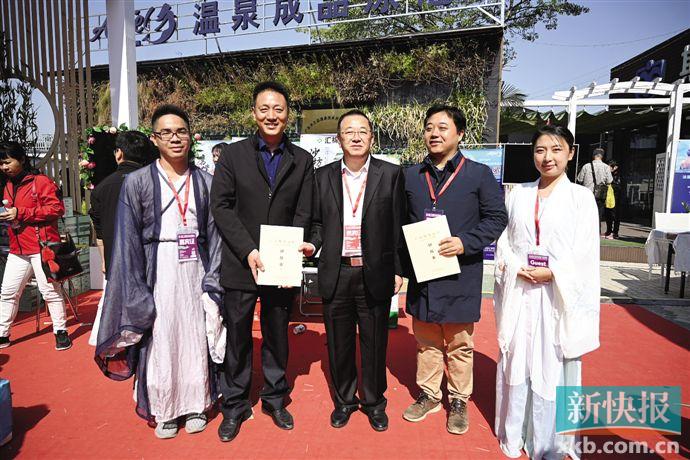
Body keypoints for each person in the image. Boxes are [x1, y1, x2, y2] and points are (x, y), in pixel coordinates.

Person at [95, 105, 225, 439]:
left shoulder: (206, 182)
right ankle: (164, 408)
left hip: (196, 266)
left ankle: (197, 403)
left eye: (181, 131)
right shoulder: (137, 182)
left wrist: (214, 279)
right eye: (166, 132)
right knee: (161, 337)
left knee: (195, 334)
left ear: (190, 136)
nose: (175, 138)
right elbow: (126, 238)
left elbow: (216, 235)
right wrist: (135, 286)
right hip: (158, 266)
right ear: (154, 139)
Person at [210, 81, 314, 442]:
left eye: (279, 109)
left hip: (281, 264)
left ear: (288, 114)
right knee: (238, 336)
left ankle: (274, 398)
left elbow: (304, 210)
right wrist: (248, 250)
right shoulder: (233, 156)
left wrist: (292, 253)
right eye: (265, 109)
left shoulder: (302, 159)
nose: (272, 115)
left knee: (276, 334)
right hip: (242, 263)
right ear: (254, 113)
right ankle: (235, 404)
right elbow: (221, 206)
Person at [493, 125, 600, 459]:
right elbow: (505, 242)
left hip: (556, 296)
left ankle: (549, 442)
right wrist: (514, 266)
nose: (547, 157)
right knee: (518, 359)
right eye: (540, 150)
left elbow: (585, 251)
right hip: (522, 291)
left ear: (570, 153)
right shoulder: (518, 194)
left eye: (556, 149)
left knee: (550, 364)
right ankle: (514, 432)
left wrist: (554, 272)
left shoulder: (581, 198)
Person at [401, 105, 507, 435]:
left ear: (460, 134)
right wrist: (400, 269)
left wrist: (465, 242)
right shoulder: (411, 176)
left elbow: (497, 218)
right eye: (429, 127)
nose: (434, 133)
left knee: (460, 344)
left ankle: (459, 399)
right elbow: (400, 222)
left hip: (461, 273)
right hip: (424, 274)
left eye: (442, 127)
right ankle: (430, 394)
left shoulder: (478, 175)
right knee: (426, 341)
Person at [300, 110, 405, 432]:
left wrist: (399, 269)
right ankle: (344, 400)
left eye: (362, 131)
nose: (356, 137)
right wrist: (312, 245)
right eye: (349, 131)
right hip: (337, 271)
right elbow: (317, 223)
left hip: (375, 270)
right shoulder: (322, 177)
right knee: (339, 343)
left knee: (375, 343)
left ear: (372, 137)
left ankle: (374, 402)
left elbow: (398, 224)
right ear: (338, 139)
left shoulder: (391, 174)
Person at [0, 141, 71, 351]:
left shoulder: (41, 181)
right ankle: (2, 333)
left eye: (7, 162)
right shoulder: (8, 185)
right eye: (1, 163)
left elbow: (57, 209)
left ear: (22, 159)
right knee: (8, 292)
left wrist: (21, 213)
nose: (4, 167)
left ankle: (60, 331)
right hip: (18, 248)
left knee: (49, 291)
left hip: (42, 247)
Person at [88, 130, 155, 346]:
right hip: (150, 261)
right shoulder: (155, 183)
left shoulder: (101, 188)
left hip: (115, 260)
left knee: (114, 309)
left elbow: (99, 230)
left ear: (119, 153)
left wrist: (105, 260)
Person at [576, 147, 612, 229]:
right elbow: (609, 181)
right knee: (598, 216)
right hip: (600, 195)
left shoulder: (586, 166)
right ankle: (596, 233)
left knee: (586, 215)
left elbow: (579, 179)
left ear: (593, 155)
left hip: (587, 194)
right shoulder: (606, 167)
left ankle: (585, 232)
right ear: (602, 156)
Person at [604, 160, 622, 240]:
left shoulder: (618, 175)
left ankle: (615, 233)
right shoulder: (609, 174)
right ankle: (608, 231)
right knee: (608, 214)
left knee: (615, 215)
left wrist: (610, 183)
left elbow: (618, 186)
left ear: (615, 167)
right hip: (610, 198)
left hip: (616, 198)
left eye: (609, 167)